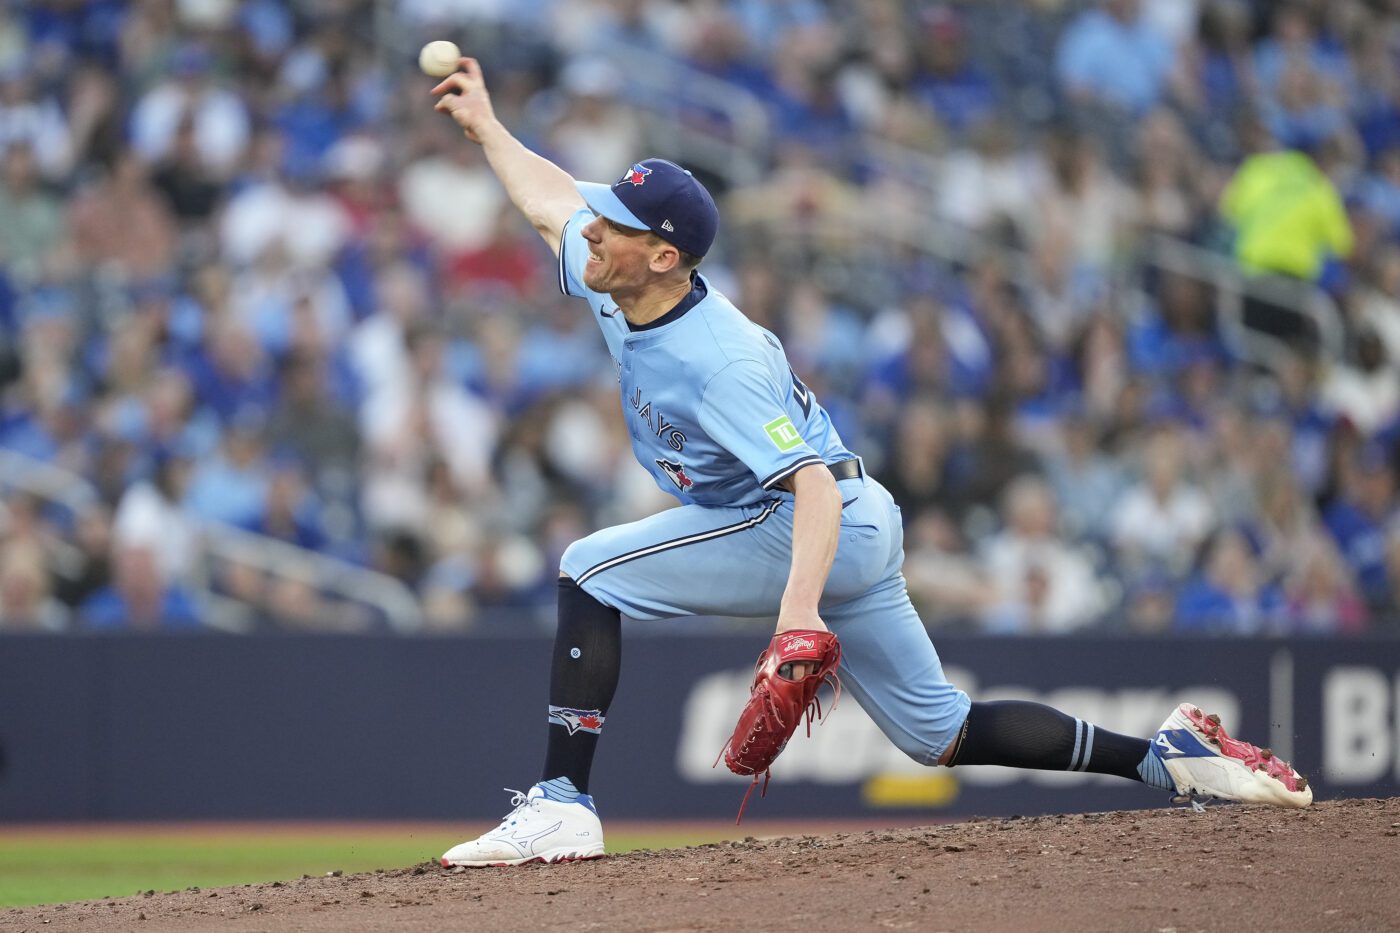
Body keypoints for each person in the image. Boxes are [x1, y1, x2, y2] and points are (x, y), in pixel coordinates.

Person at [430, 57, 1311, 869]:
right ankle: (1165, 760)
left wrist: (798, 615)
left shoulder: (717, 360)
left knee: (589, 570)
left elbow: (809, 485)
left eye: (614, 224)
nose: (592, 230)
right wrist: (488, 126)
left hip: (809, 521)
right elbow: (549, 201)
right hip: (857, 521)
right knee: (941, 732)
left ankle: (563, 801)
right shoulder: (618, 274)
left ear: (664, 256)